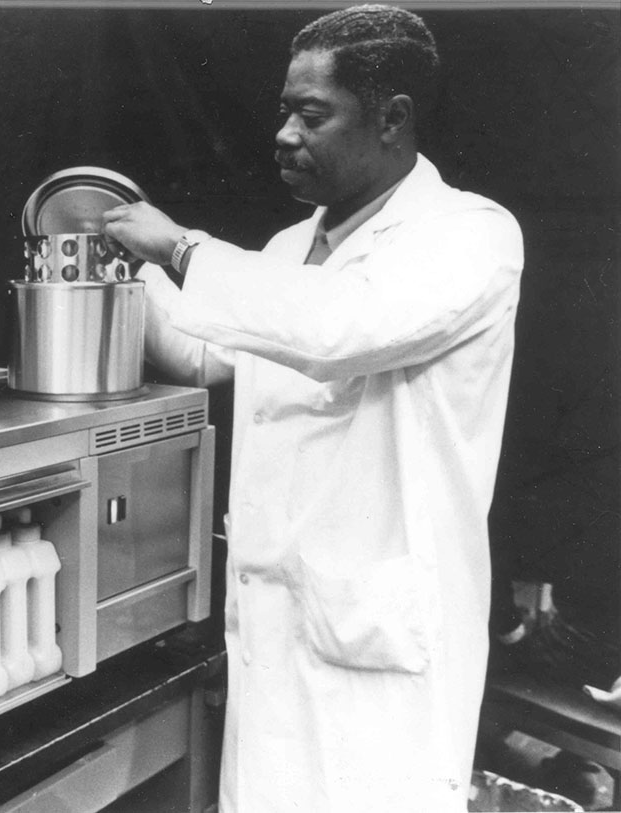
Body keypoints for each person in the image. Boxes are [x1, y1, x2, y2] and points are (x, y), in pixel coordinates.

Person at [102, 5, 523, 812]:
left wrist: (179, 248)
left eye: (312, 114)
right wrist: (116, 255)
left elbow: (338, 326)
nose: (285, 134)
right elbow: (206, 351)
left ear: (393, 118)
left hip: (376, 654)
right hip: (276, 634)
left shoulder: (470, 235)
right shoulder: (292, 250)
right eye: (284, 110)